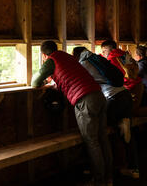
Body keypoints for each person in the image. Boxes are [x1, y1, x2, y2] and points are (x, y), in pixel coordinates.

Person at [31, 41, 113, 186]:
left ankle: (99, 181)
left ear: (44, 55)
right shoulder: (67, 56)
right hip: (98, 95)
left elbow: (35, 82)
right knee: (102, 139)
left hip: (85, 100)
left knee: (92, 142)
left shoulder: (51, 61)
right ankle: (108, 178)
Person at [73, 47, 140, 179]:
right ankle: (133, 168)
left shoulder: (83, 64)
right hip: (125, 94)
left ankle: (93, 168)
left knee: (97, 132)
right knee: (127, 134)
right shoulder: (97, 59)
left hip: (112, 98)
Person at [101, 40, 147, 117]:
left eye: (104, 51)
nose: (103, 53)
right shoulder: (125, 54)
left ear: (110, 49)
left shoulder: (111, 59)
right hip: (137, 84)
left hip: (132, 86)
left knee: (131, 111)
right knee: (129, 111)